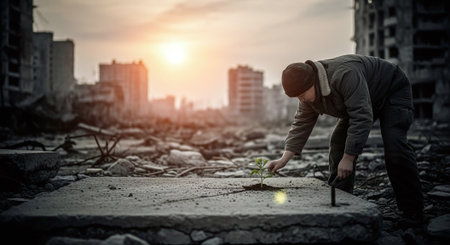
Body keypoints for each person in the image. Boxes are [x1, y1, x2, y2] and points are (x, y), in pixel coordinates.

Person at [267, 54, 423, 224]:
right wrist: (284, 158)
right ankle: (341, 200)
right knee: (338, 143)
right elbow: (302, 124)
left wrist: (349, 157)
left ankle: (412, 212)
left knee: (395, 148)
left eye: (302, 94)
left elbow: (362, 117)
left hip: (391, 90)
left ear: (313, 82)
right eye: (297, 97)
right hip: (361, 100)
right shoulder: (308, 92)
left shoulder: (345, 74)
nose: (301, 99)